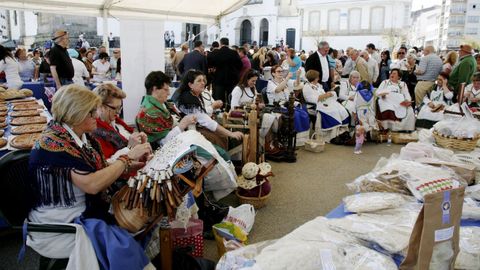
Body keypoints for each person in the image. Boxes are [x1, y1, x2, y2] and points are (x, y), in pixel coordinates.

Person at [27, 84, 155, 270]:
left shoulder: (81, 137)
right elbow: (92, 184)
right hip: (63, 219)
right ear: (75, 114)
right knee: (125, 240)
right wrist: (127, 158)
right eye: (91, 112)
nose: (96, 115)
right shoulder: (53, 144)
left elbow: (97, 170)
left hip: (80, 208)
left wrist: (131, 165)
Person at [176, 70, 243, 149]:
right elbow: (207, 122)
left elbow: (205, 117)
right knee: (217, 139)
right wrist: (231, 134)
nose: (203, 83)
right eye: (199, 81)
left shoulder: (195, 95)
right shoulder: (189, 100)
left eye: (203, 80)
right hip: (192, 131)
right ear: (190, 85)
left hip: (200, 126)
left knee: (222, 136)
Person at [92, 83, 150, 163]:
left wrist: (142, 145)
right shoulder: (96, 132)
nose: (118, 112)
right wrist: (130, 147)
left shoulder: (114, 121)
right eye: (115, 108)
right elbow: (106, 165)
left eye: (120, 108)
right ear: (101, 106)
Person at [302, 70, 349, 142]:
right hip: (316, 105)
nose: (318, 79)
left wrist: (329, 93)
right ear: (314, 78)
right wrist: (326, 95)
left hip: (324, 102)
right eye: (317, 77)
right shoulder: (307, 87)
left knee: (340, 109)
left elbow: (323, 94)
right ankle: (333, 136)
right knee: (333, 112)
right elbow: (313, 100)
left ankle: (340, 132)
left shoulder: (318, 85)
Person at [207, 37, 243, 104]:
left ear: (220, 44)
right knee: (231, 97)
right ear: (228, 44)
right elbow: (240, 65)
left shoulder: (216, 53)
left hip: (219, 78)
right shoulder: (234, 53)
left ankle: (220, 111)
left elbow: (210, 65)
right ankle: (229, 110)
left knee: (219, 98)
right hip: (232, 79)